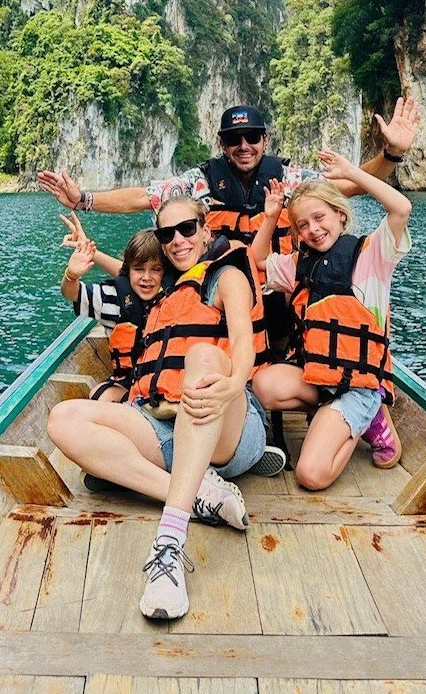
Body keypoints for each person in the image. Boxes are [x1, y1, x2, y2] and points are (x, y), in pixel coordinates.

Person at [47, 196, 269, 621]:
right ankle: (200, 493)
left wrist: (232, 383)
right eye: (168, 234)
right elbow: (132, 274)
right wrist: (85, 258)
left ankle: (169, 542)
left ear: (206, 229)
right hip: (164, 428)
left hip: (227, 426)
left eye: (187, 229)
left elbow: (243, 343)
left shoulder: (226, 276)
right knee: (64, 418)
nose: (178, 240)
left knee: (203, 358)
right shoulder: (164, 288)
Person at [37, 98, 421, 266]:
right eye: (234, 139)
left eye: (252, 137)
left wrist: (391, 155)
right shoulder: (201, 182)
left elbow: (350, 185)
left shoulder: (287, 178)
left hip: (276, 282)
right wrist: (82, 199)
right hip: (220, 284)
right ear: (222, 143)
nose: (244, 146)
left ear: (265, 140)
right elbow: (142, 197)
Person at [250, 150, 411, 491]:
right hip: (320, 378)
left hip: (359, 386)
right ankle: (336, 415)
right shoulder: (299, 265)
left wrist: (351, 172)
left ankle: (370, 418)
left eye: (320, 217)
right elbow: (258, 259)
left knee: (310, 475)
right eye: (303, 225)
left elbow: (400, 208)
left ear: (340, 215)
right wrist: (270, 217)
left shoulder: (372, 257)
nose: (313, 229)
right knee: (263, 385)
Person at [58, 215, 173, 403]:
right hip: (129, 386)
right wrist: (71, 275)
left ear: (166, 272)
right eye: (139, 269)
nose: (146, 277)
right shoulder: (113, 299)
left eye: (156, 269)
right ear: (129, 271)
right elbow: (72, 293)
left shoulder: (176, 296)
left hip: (168, 387)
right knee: (101, 395)